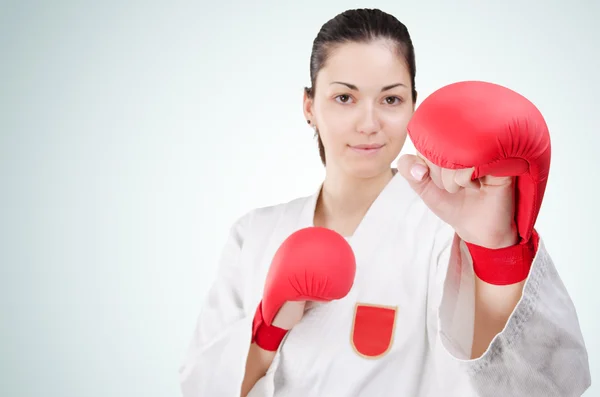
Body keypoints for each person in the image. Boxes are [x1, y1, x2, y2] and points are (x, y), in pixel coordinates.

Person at [179, 8, 591, 397]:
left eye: (391, 99)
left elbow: (540, 385)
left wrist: (498, 252)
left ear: (414, 104)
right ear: (309, 106)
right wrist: (266, 328)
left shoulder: (446, 233)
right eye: (345, 98)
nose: (369, 123)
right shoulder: (253, 234)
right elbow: (198, 385)